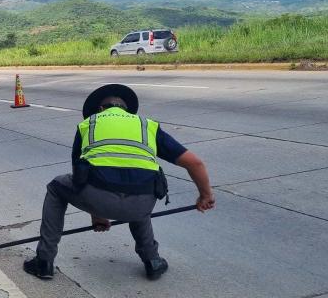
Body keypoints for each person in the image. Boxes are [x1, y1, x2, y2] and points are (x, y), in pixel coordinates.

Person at [23, 84, 215, 281]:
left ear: (100, 109)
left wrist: (98, 214)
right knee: (140, 182)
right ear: (126, 109)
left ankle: (44, 261)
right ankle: (152, 260)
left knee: (56, 188)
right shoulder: (146, 125)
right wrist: (206, 195)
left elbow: (81, 177)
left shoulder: (88, 124)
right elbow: (195, 163)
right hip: (142, 203)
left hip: (99, 196)